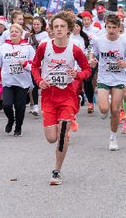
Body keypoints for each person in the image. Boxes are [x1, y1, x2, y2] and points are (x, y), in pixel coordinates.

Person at [31, 12, 91, 185]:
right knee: (51, 138)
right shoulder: (43, 47)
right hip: (49, 96)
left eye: (62, 26)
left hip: (68, 96)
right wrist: (39, 80)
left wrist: (77, 74)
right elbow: (35, 66)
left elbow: (87, 70)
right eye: (55, 26)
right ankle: (67, 124)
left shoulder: (75, 49)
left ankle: (56, 171)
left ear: (68, 30)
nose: (58, 29)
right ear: (51, 29)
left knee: (63, 133)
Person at [91, 14, 126, 151]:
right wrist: (92, 60)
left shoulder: (125, 43)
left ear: (119, 28)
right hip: (104, 77)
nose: (111, 30)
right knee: (104, 109)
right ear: (105, 26)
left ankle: (113, 138)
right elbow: (93, 54)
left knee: (115, 109)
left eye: (114, 28)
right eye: (109, 27)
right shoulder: (98, 41)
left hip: (119, 78)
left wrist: (125, 63)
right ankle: (104, 111)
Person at [0, 23, 36, 136]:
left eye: (16, 31)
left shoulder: (27, 48)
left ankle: (18, 127)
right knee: (6, 105)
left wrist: (25, 64)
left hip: (22, 83)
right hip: (8, 82)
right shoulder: (3, 47)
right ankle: (11, 120)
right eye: (11, 31)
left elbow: (35, 66)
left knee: (19, 106)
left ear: (21, 34)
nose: (13, 33)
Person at [29, 16, 49, 116]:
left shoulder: (45, 35)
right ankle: (35, 106)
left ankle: (46, 104)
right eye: (34, 24)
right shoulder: (30, 35)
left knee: (44, 84)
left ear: (42, 25)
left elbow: (41, 47)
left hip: (43, 62)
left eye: (37, 24)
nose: (36, 26)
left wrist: (33, 39)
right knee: (34, 84)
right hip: (33, 62)